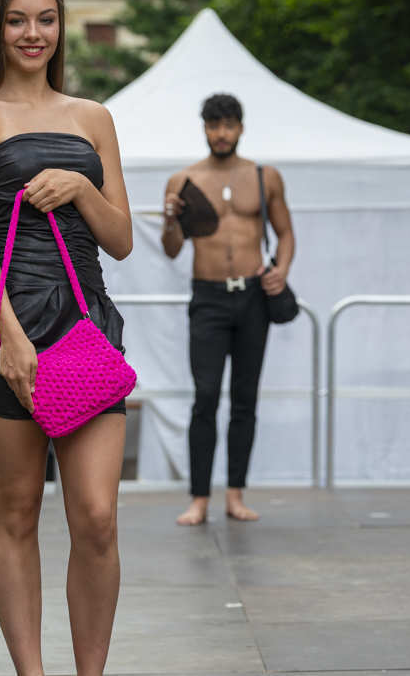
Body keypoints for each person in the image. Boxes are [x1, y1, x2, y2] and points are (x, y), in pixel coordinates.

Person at [0, 0, 133, 676]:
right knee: (17, 511)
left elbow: (121, 239)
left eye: (45, 18)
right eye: (17, 19)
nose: (32, 33)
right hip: (6, 330)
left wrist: (81, 185)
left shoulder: (93, 117)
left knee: (98, 516)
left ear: (60, 26)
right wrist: (11, 337)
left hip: (85, 328)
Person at [162, 93, 295, 526]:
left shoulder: (264, 176)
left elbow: (286, 233)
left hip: (253, 296)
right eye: (214, 125)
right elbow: (171, 249)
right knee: (204, 396)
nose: (221, 133)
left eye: (228, 125)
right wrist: (170, 221)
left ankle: (235, 495)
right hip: (208, 296)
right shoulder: (184, 179)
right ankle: (199, 498)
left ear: (240, 128)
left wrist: (280, 270)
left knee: (244, 398)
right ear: (204, 128)